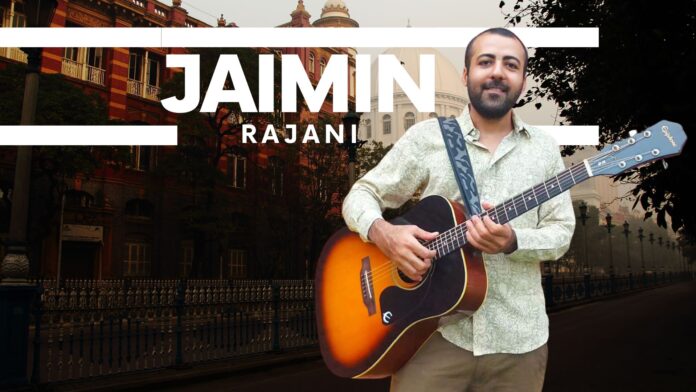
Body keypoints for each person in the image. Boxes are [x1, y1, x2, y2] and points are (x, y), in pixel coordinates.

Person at [341, 28, 576, 392]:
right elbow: (362, 193)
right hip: (433, 337)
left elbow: (561, 232)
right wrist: (384, 234)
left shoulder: (543, 150)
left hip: (518, 342)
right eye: (486, 62)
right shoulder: (428, 138)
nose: (497, 72)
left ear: (523, 81)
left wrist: (513, 240)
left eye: (510, 64)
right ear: (466, 75)